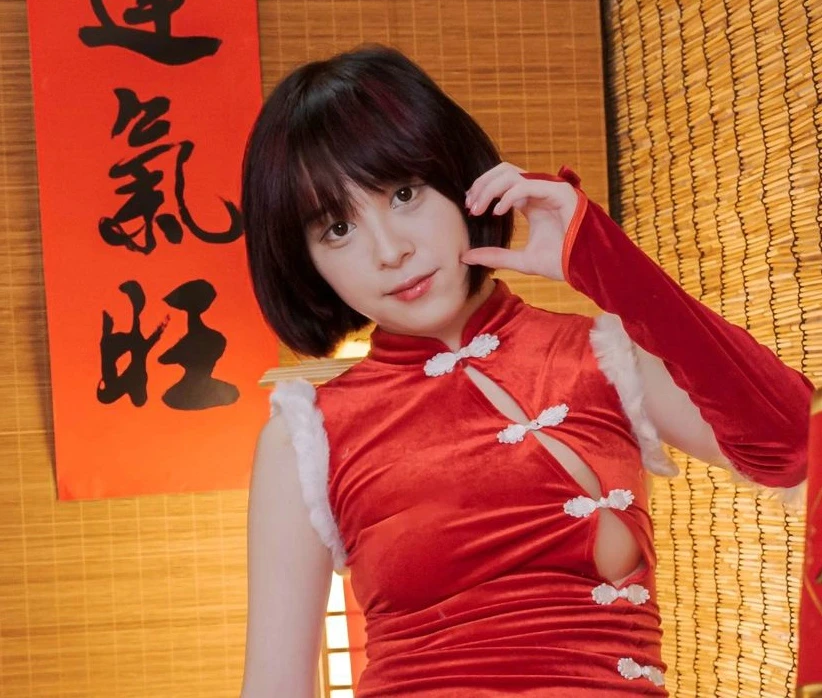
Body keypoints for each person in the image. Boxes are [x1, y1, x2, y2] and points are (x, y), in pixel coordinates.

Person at [238, 44, 813, 697]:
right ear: (306, 262)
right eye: (337, 228)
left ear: (457, 177)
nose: (390, 250)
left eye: (404, 193)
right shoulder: (306, 436)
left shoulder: (601, 355)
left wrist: (607, 263)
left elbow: (794, 447)